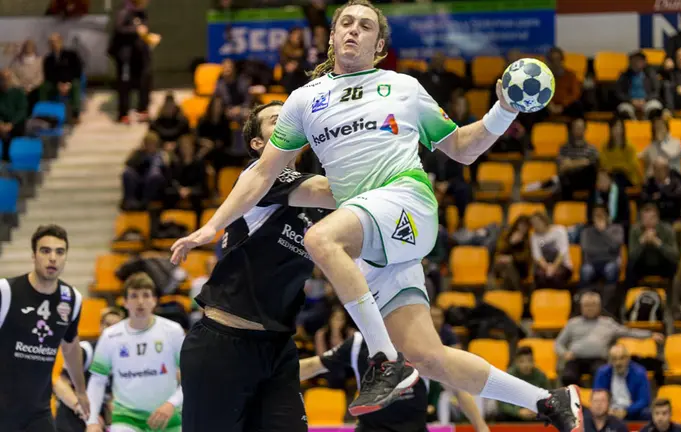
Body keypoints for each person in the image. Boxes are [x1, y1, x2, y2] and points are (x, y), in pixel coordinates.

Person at [171, 1, 582, 431]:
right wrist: (211, 227)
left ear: (379, 44)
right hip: (370, 235)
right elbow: (261, 174)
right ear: (332, 37)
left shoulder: (403, 87)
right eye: (345, 23)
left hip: (406, 201)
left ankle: (384, 361)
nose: (353, 30)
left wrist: (503, 111)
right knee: (428, 356)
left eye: (365, 26)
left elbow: (462, 149)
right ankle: (547, 399)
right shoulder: (304, 100)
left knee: (320, 239)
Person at [177, 101, 336, 432]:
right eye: (277, 120)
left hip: (278, 347)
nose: (289, 122)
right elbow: (332, 191)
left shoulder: (315, 206)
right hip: (223, 344)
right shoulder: (259, 176)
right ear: (258, 143)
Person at [300, 331, 491, 432]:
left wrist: (482, 427)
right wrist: (281, 372)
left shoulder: (420, 346)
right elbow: (312, 366)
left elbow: (457, 390)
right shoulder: (357, 343)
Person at [0, 225, 91, 431]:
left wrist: (81, 390)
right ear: (33, 255)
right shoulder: (6, 291)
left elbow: (70, 346)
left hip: (38, 412)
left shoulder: (71, 299)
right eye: (45, 251)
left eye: (60, 252)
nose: (53, 258)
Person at [84, 273, 184, 432]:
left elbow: (191, 377)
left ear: (154, 300)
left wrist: (172, 403)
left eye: (146, 295)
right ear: (124, 302)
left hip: (167, 418)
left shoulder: (173, 331)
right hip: (126, 418)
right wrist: (92, 421)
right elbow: (98, 379)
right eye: (134, 296)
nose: (140, 301)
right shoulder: (111, 336)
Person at [55, 308, 125, 432]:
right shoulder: (87, 351)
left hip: (97, 423)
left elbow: (111, 399)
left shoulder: (122, 359)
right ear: (100, 327)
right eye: (107, 324)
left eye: (116, 326)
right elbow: (59, 383)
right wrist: (81, 408)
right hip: (71, 422)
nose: (111, 330)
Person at [593, 344, 652, 421]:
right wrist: (607, 409)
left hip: (632, 411)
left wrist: (626, 411)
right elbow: (597, 395)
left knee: (647, 413)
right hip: (609, 411)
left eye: (621, 358)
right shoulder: (602, 372)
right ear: (609, 361)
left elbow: (644, 400)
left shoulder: (639, 372)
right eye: (614, 359)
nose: (618, 363)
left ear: (628, 358)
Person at [498, 346, 552, 421]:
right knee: (501, 416)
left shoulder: (540, 376)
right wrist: (518, 412)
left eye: (529, 361)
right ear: (516, 362)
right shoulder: (508, 376)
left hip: (536, 413)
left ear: (534, 361)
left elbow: (549, 398)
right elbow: (501, 403)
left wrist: (538, 410)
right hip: (514, 414)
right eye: (521, 361)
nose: (526, 365)